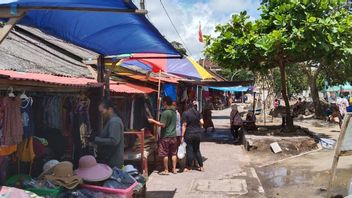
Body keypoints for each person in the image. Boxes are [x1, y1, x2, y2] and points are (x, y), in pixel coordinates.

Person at [148, 96, 177, 175]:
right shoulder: (174, 112)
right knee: (174, 153)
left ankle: (166, 170)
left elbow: (163, 125)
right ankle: (174, 169)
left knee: (165, 154)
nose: (162, 104)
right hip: (173, 136)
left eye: (163, 102)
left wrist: (153, 121)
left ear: (165, 102)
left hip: (166, 136)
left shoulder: (165, 113)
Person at [94, 99, 124, 168]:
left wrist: (96, 139)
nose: (101, 114)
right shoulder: (111, 121)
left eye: (102, 111)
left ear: (110, 109)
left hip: (112, 163)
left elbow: (114, 141)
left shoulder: (114, 122)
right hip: (109, 162)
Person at [182, 101, 204, 172]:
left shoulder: (185, 113)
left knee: (190, 150)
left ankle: (189, 167)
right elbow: (202, 122)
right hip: (197, 134)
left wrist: (182, 136)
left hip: (189, 134)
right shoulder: (198, 113)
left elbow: (184, 125)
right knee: (197, 150)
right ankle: (201, 166)